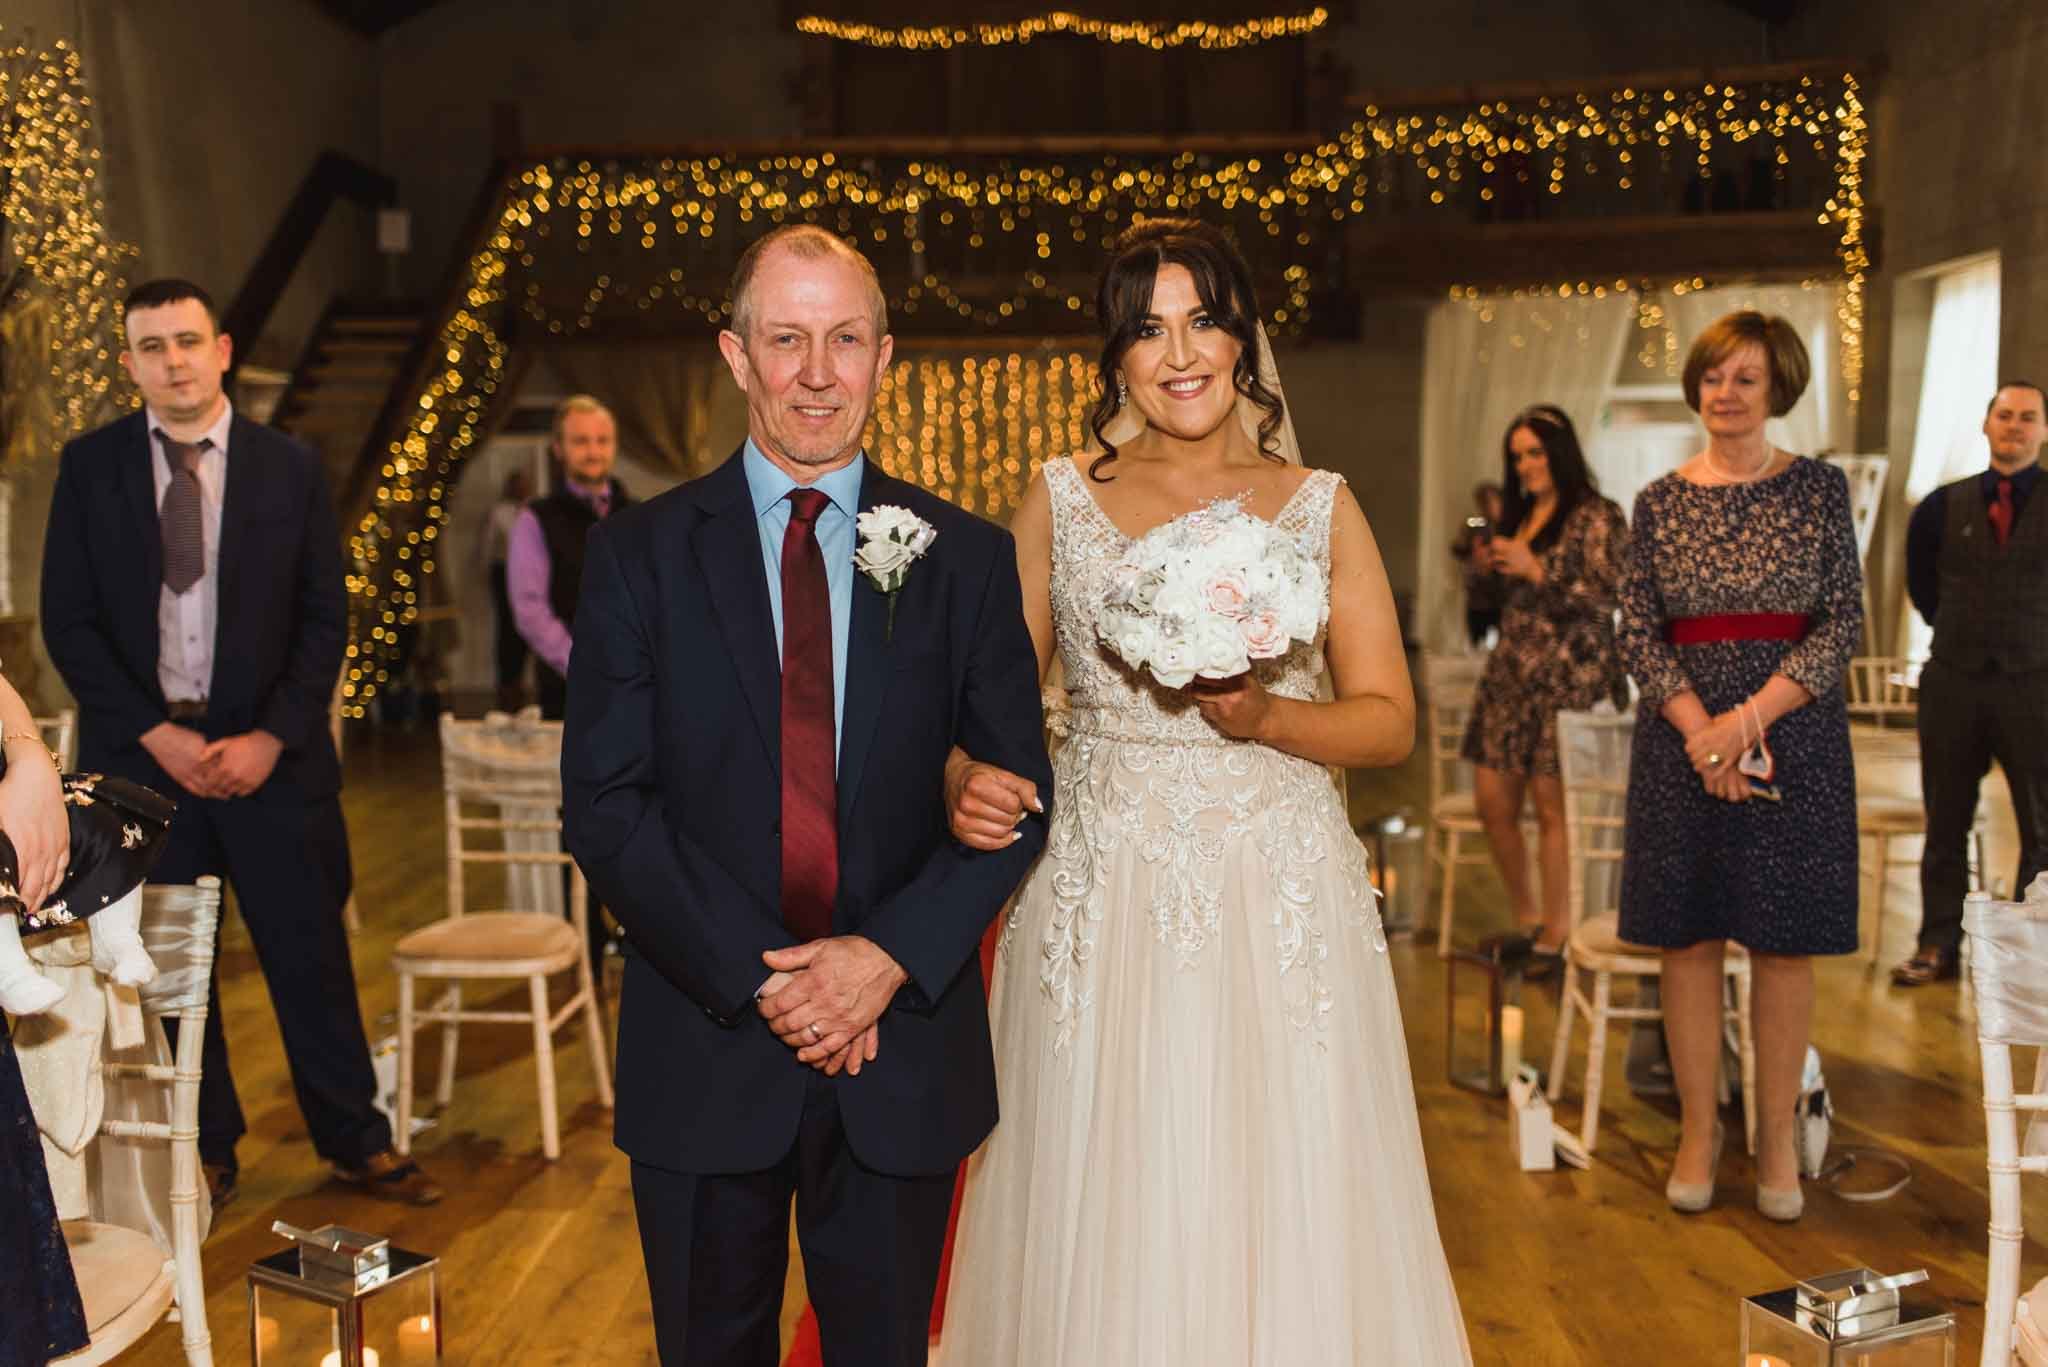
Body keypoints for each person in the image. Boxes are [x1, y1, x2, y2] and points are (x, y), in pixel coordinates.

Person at [940, 219, 1471, 1363]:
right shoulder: (1057, 499)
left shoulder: (1318, 503)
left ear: (1243, 339)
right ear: (1115, 360)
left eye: (1201, 320)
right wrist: (963, 771)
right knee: (1108, 1154)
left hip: (1273, 882)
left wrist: (1267, 714)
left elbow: (1385, 718)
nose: (1178, 353)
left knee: (1275, 1153)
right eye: (1144, 330)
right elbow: (986, 710)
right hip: (1103, 882)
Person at [560, 225, 1051, 1366]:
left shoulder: (963, 559)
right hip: (704, 1035)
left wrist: (877, 959)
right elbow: (607, 803)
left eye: (844, 339)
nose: (817, 372)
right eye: (787, 339)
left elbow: (1018, 798)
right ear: (736, 356)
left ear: (885, 357)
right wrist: (776, 984)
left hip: (902, 1048)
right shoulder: (638, 556)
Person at [40, 278, 440, 1211]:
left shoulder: (290, 467)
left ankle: (355, 1138)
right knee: (175, 969)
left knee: (310, 955)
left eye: (187, 340)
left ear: (221, 350)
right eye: (151, 346)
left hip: (275, 759)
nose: (172, 360)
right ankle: (208, 1146)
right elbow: (70, 621)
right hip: (145, 764)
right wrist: (156, 736)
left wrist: (269, 735)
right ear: (131, 362)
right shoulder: (89, 466)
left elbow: (323, 618)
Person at [1615, 310, 1861, 1223]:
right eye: (1714, 376)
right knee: (1688, 938)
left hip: (1792, 734)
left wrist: (1747, 722)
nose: (1726, 393)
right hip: (1682, 741)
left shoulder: (1820, 490)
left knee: (1782, 941)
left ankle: (1773, 1141)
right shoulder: (1658, 501)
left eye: (1746, 379)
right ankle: (1697, 1134)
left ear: (1777, 388)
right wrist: (1702, 733)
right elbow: (1639, 631)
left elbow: (1842, 622)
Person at [1892, 381, 2048, 985]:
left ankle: (2031, 954)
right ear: (1985, 425)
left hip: (2036, 682)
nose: (2013, 426)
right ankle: (1937, 944)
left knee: (2041, 824)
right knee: (1946, 818)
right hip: (1953, 681)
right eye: (2003, 415)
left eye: (2027, 418)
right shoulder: (1939, 506)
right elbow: (1923, 587)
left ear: (2041, 430)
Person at [1461, 406, 1629, 959]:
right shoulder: (1520, 514)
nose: (1526, 465)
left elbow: (1609, 598)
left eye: (1535, 452)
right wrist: (1484, 572)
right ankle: (1530, 917)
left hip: (1568, 678)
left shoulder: (1597, 515)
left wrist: (1539, 571)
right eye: (1517, 456)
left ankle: (1557, 934)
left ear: (1560, 452)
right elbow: (1490, 610)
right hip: (1511, 677)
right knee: (1492, 801)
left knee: (1553, 810)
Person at [508, 396, 632, 721]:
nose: (593, 451)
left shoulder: (642, 516)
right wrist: (584, 666)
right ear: (559, 449)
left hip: (640, 692)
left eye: (602, 441)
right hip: (567, 694)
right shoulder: (535, 519)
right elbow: (529, 610)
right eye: (580, 441)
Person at [485, 468, 533, 711]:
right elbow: (491, 545)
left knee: (526, 627)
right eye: (517, 485)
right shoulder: (500, 513)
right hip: (505, 573)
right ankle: (506, 684)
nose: (521, 490)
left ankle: (523, 683)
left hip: (530, 575)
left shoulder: (536, 510)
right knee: (506, 630)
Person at [1451, 480, 1506, 647]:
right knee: (1477, 640)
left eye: (1491, 500)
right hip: (1478, 596)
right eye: (1483, 502)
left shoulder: (1509, 526)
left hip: (1501, 595)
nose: (1488, 506)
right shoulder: (1475, 526)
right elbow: (1458, 549)